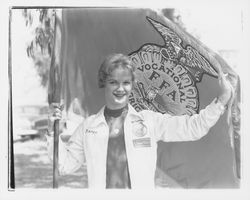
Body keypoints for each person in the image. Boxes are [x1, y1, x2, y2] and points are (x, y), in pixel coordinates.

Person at [47, 53, 232, 189]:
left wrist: (222, 99)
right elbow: (64, 165)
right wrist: (51, 129)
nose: (120, 88)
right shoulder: (88, 127)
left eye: (126, 82)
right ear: (104, 83)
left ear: (132, 84)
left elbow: (193, 128)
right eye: (113, 82)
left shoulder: (149, 121)